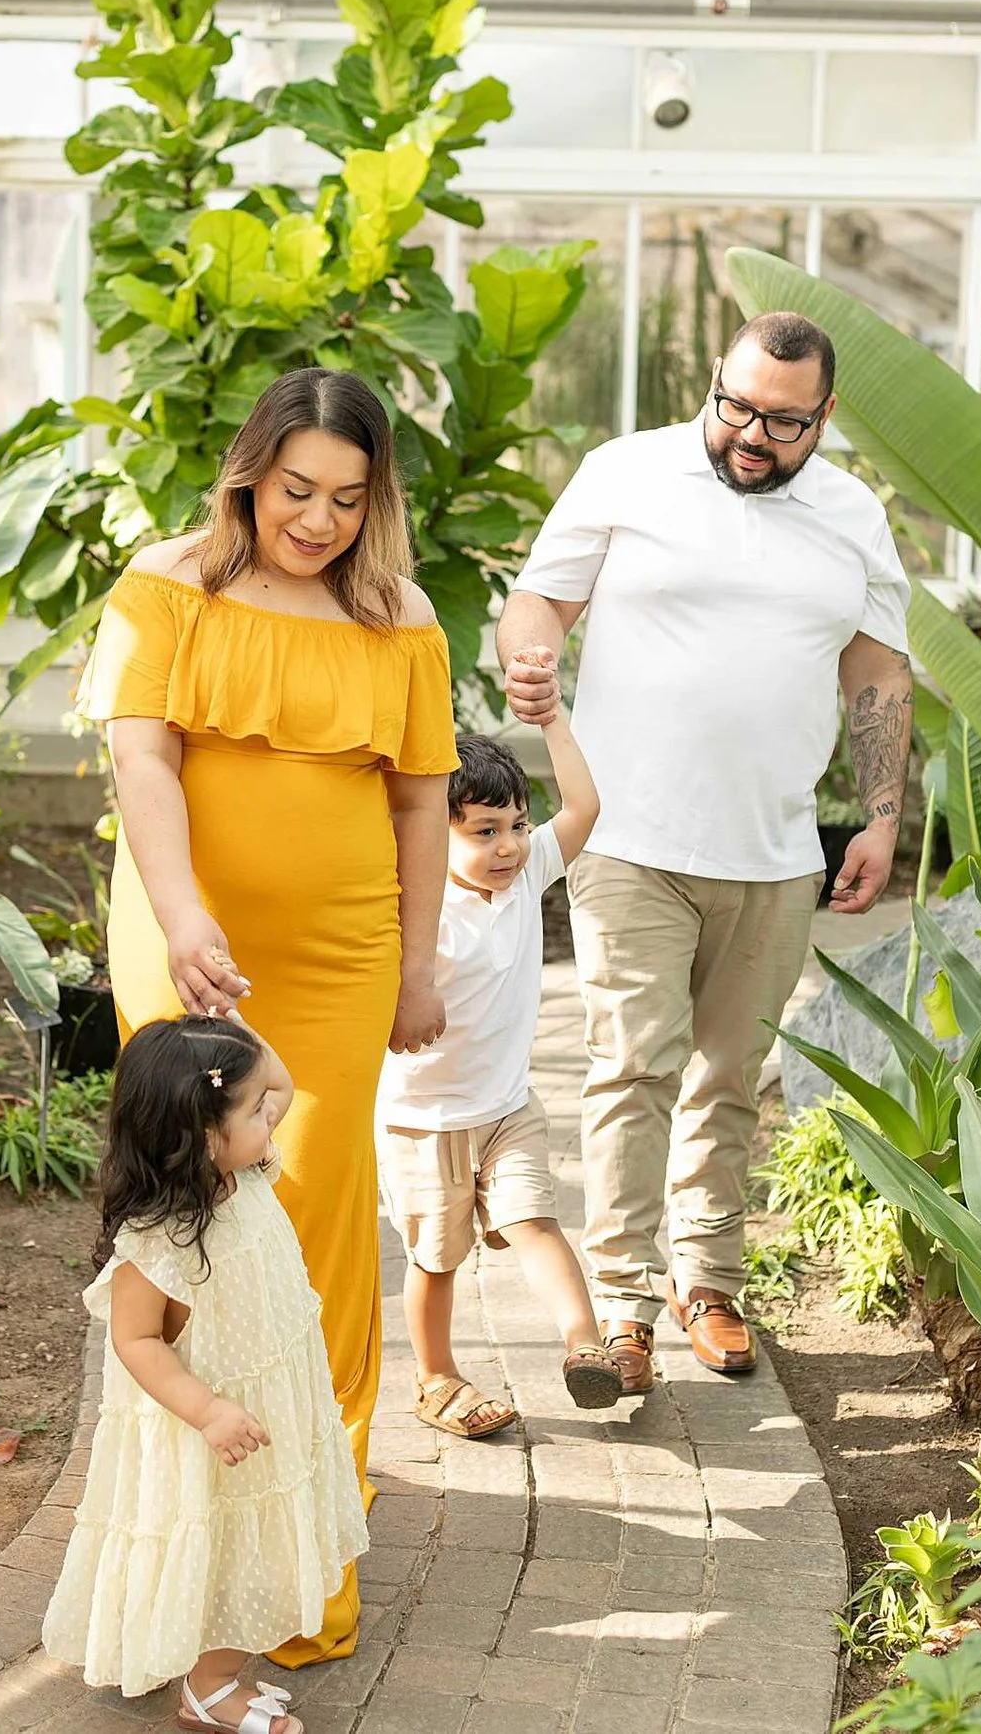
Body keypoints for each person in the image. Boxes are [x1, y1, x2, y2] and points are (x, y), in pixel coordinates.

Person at [79, 368, 457, 1666]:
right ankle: (185, 1532)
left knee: (321, 1216)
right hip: (184, 938)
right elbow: (142, 758)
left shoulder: (399, 617)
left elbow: (420, 802)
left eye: (348, 498)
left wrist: (418, 967)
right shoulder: (166, 585)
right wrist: (185, 917)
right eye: (297, 489)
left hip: (343, 954)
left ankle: (303, 1547)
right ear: (249, 475)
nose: (318, 520)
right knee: (196, 1217)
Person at [495, 311, 913, 1391]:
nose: (750, 436)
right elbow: (540, 599)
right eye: (734, 406)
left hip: (774, 853)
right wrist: (530, 657)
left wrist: (880, 815)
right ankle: (625, 1306)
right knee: (634, 1066)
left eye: (784, 422)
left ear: (826, 415)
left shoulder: (853, 514)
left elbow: (876, 670)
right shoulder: (626, 472)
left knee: (728, 1079)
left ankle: (710, 1282)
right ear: (715, 381)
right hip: (627, 837)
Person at [42, 1016, 366, 1734]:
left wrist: (236, 1032)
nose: (272, 1112)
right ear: (202, 1134)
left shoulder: (244, 1168)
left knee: (255, 1544)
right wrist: (208, 1410)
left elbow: (277, 1080)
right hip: (210, 1425)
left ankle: (199, 1666)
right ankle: (211, 1689)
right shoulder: (157, 1238)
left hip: (265, 1408)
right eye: (253, 1109)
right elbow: (135, 1340)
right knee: (226, 1548)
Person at [375, 679, 623, 1438]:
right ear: (434, 833)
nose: (508, 846)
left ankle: (585, 1347)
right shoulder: (408, 899)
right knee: (436, 1261)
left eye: (516, 825)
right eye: (484, 832)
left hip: (508, 1107)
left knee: (536, 1221)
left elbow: (584, 807)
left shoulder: (526, 874)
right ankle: (436, 1377)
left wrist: (553, 720)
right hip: (424, 1119)